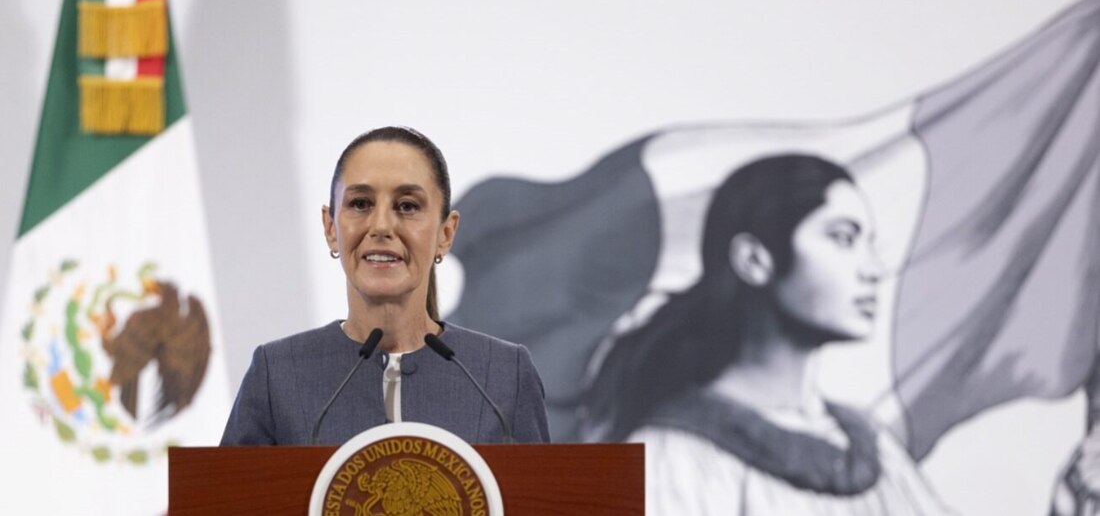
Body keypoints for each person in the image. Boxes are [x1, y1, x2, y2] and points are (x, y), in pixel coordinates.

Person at [580, 154, 952, 515]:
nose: (872, 269)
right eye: (843, 238)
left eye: (870, 244)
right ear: (754, 260)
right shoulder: (671, 457)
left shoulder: (875, 449)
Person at [221, 126, 550, 445]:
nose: (380, 226)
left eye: (407, 206)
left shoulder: (503, 375)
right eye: (360, 204)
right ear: (331, 227)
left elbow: (540, 499)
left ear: (445, 234)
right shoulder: (277, 373)